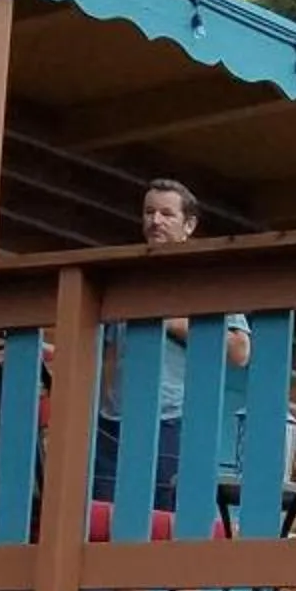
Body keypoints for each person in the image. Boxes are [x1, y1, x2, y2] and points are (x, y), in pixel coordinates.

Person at [96, 178, 253, 507]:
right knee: (103, 520)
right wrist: (99, 406)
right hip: (112, 424)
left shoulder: (204, 277)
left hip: (170, 421)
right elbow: (111, 352)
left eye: (167, 214)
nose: (155, 221)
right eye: (149, 212)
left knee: (160, 519)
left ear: (189, 224)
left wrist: (168, 320)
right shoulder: (126, 275)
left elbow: (239, 351)